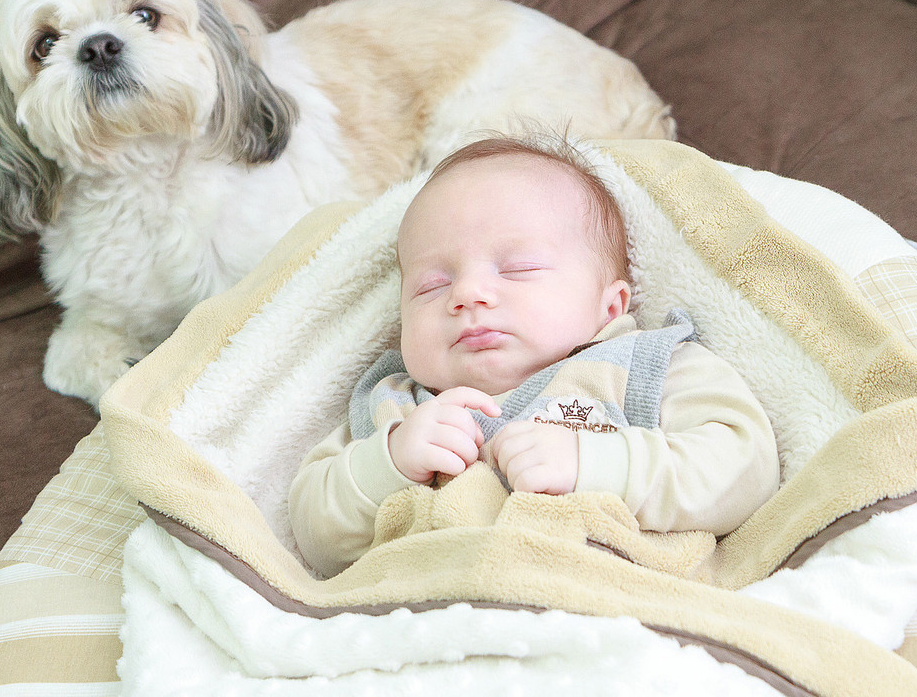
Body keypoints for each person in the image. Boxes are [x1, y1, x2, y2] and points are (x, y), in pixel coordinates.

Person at [289, 134, 778, 577]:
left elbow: (746, 467)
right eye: (431, 285)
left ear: (608, 307)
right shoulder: (396, 408)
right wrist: (389, 462)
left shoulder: (640, 368)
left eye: (517, 269)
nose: (468, 294)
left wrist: (596, 463)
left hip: (612, 609)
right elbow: (313, 535)